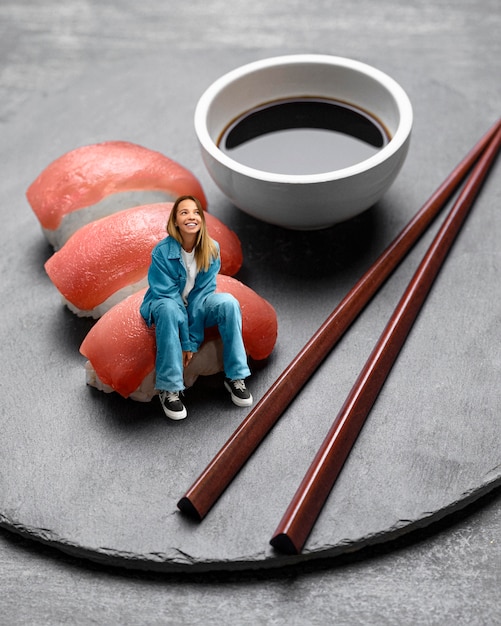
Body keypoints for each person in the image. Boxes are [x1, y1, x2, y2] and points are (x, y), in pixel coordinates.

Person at [140, 195, 252, 420]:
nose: (191, 216)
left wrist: (191, 340)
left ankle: (235, 377)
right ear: (175, 221)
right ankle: (169, 388)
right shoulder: (162, 252)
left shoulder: (211, 249)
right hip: (163, 303)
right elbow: (167, 294)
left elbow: (202, 295)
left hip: (196, 305)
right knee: (170, 310)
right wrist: (186, 341)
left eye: (196, 212)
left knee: (228, 303)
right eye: (184, 212)